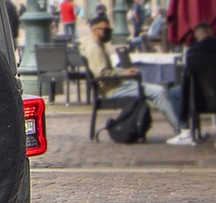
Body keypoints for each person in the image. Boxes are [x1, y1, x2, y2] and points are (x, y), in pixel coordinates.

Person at [79, 15, 194, 144]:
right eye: (106, 29)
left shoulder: (98, 45)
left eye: (109, 29)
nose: (108, 32)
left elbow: (106, 70)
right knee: (158, 92)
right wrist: (124, 75)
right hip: (113, 89)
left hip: (117, 85)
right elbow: (102, 74)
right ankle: (182, 130)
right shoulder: (94, 48)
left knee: (158, 90)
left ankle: (184, 128)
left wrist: (123, 71)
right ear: (94, 30)